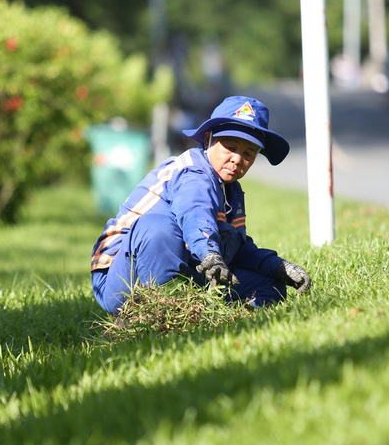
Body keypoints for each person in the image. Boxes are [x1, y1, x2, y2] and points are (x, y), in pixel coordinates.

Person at [90, 95, 312, 315]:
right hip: (121, 277)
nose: (237, 159)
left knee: (270, 286)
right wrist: (210, 254)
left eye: (248, 153)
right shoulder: (192, 172)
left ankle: (218, 316)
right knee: (158, 227)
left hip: (184, 265)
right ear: (208, 140)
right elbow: (196, 215)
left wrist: (278, 267)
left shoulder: (230, 189)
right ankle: (152, 314)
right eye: (230, 147)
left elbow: (234, 248)